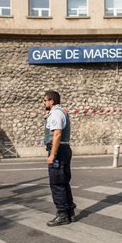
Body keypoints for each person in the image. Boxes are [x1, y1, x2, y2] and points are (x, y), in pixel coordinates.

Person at [43, 91, 76, 226]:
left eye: (45, 100)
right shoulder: (60, 112)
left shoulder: (56, 113)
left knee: (56, 183)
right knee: (63, 182)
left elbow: (57, 134)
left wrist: (52, 154)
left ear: (51, 101)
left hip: (59, 151)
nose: (44, 103)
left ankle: (62, 214)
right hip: (64, 149)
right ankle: (69, 212)